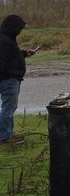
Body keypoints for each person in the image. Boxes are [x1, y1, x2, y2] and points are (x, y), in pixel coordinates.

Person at [0, 14, 36, 147]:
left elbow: (11, 57)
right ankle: (5, 138)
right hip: (8, 80)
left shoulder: (8, 39)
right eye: (19, 28)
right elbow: (2, 61)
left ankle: (7, 134)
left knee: (8, 108)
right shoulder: (4, 40)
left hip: (11, 79)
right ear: (13, 28)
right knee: (8, 109)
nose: (20, 31)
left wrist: (24, 54)